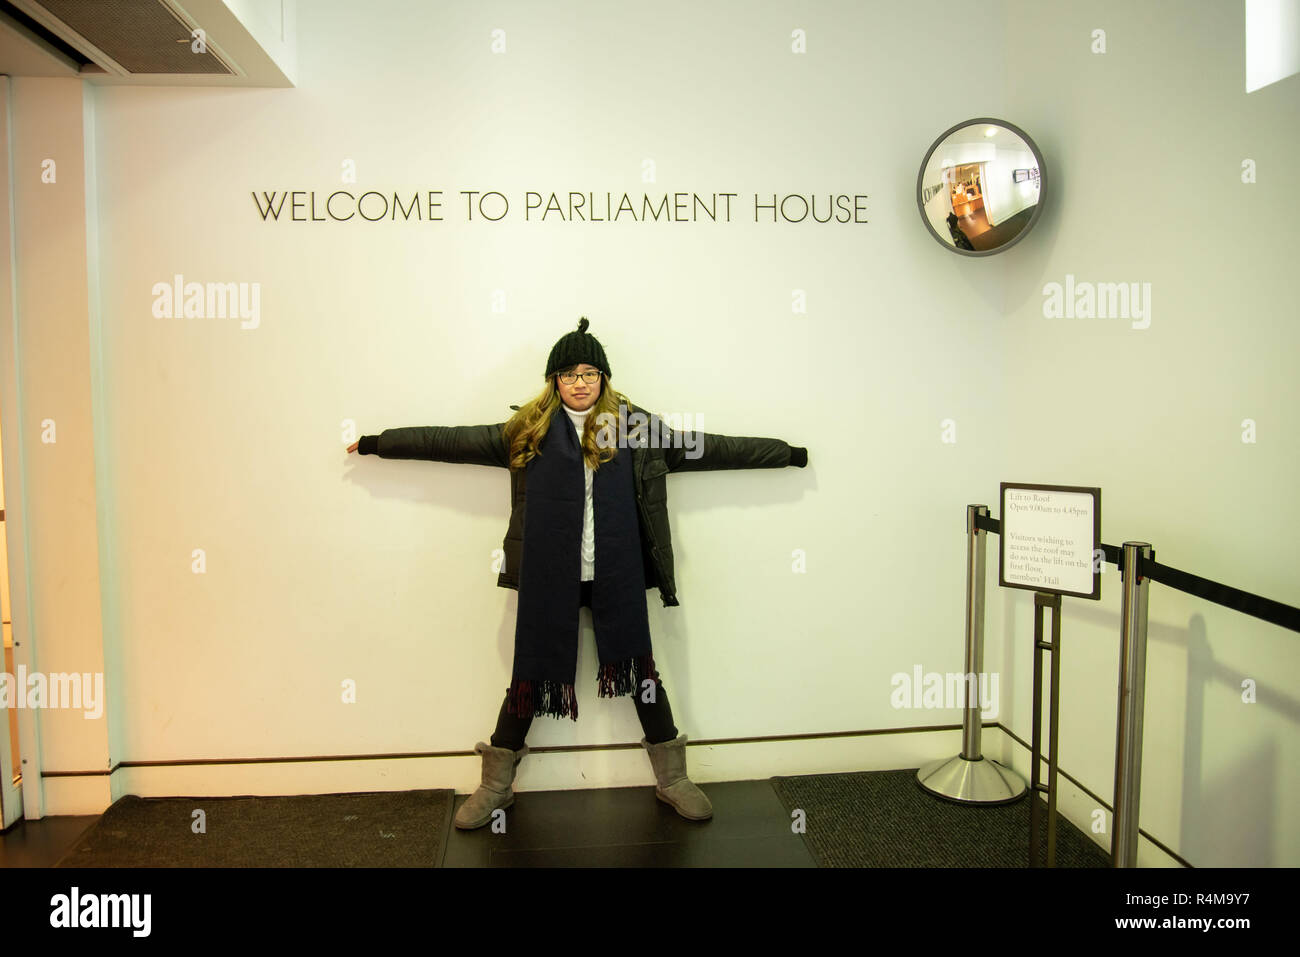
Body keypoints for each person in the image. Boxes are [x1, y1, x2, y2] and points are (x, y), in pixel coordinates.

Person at [349, 317, 809, 829]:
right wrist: (376, 442)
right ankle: (496, 786)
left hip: (617, 573)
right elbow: (447, 441)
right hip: (552, 577)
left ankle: (673, 779)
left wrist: (785, 453)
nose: (581, 382)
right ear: (554, 381)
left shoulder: (636, 430)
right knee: (529, 674)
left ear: (604, 379)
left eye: (591, 372)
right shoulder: (527, 432)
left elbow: (712, 448)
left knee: (641, 673)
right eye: (569, 373)